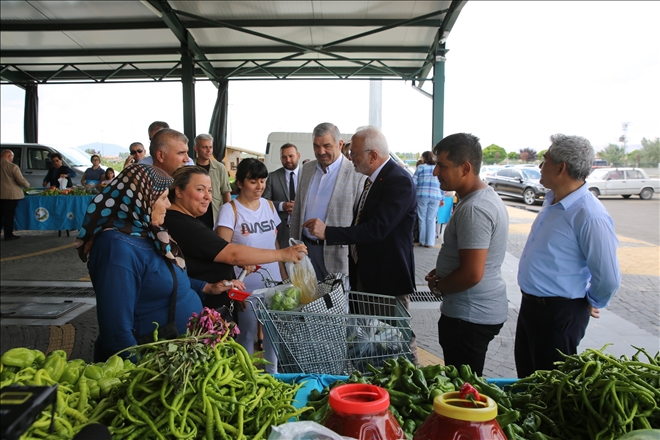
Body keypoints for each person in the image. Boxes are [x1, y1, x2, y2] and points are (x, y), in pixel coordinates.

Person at [74, 164, 242, 362]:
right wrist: (139, 374)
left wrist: (207, 287)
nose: (168, 205)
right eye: (163, 199)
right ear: (141, 200)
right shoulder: (116, 249)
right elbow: (116, 332)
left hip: (174, 353)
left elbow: (164, 278)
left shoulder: (148, 234)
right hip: (149, 361)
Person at [302, 126, 418, 362]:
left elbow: (377, 229)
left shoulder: (398, 181)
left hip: (387, 281)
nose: (350, 157)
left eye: (354, 153)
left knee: (397, 341)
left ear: (373, 155)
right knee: (371, 342)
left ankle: (411, 381)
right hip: (368, 277)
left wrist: (329, 232)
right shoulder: (374, 180)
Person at [515, 134, 621, 378]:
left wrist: (592, 300)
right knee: (528, 382)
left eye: (546, 160)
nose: (540, 166)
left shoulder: (589, 213)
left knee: (549, 391)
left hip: (558, 316)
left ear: (561, 167)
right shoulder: (553, 200)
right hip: (532, 307)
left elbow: (608, 276)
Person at [423, 133, 509, 377]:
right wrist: (444, 272)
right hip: (471, 314)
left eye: (442, 166)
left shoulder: (475, 209)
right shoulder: (478, 199)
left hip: (470, 317)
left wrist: (440, 285)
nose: (435, 173)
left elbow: (472, 273)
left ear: (466, 168)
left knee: (464, 392)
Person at [215, 159, 288, 373]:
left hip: (271, 280)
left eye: (263, 181)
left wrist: (283, 276)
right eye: (253, 181)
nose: (259, 187)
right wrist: (232, 286)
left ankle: (272, 377)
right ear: (240, 183)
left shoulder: (269, 206)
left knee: (273, 334)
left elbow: (275, 245)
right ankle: (247, 378)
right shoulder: (230, 210)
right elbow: (222, 250)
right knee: (247, 333)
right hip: (245, 285)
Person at [290, 122, 366, 281]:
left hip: (337, 254)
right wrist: (293, 246)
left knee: (336, 304)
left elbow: (360, 222)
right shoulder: (307, 169)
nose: (321, 151)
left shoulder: (356, 173)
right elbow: (297, 210)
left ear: (339, 144)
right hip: (305, 251)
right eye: (316, 146)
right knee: (307, 303)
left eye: (326, 146)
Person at [263, 143, 300, 249]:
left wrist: (298, 207)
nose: (288, 160)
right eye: (284, 157)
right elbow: (264, 201)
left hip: (303, 229)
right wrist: (282, 206)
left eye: (291, 156)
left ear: (298, 155)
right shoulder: (273, 177)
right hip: (281, 231)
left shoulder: (308, 175)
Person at [193, 133, 231, 228]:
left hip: (214, 213)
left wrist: (228, 214)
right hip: (195, 213)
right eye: (205, 147)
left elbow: (226, 192)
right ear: (196, 149)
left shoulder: (220, 168)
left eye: (210, 147)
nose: (209, 150)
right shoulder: (190, 167)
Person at [413, 151, 444, 248]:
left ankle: (422, 241)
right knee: (431, 219)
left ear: (424, 158)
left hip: (422, 195)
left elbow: (413, 182)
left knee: (422, 218)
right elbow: (441, 183)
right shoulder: (437, 168)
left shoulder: (420, 167)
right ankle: (430, 242)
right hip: (435, 196)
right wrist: (442, 197)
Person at [1, 149, 30, 241]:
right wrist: (27, 185)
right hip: (11, 196)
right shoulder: (12, 167)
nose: (12, 159)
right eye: (12, 157)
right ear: (9, 156)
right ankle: (8, 235)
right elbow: (20, 180)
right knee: (9, 216)